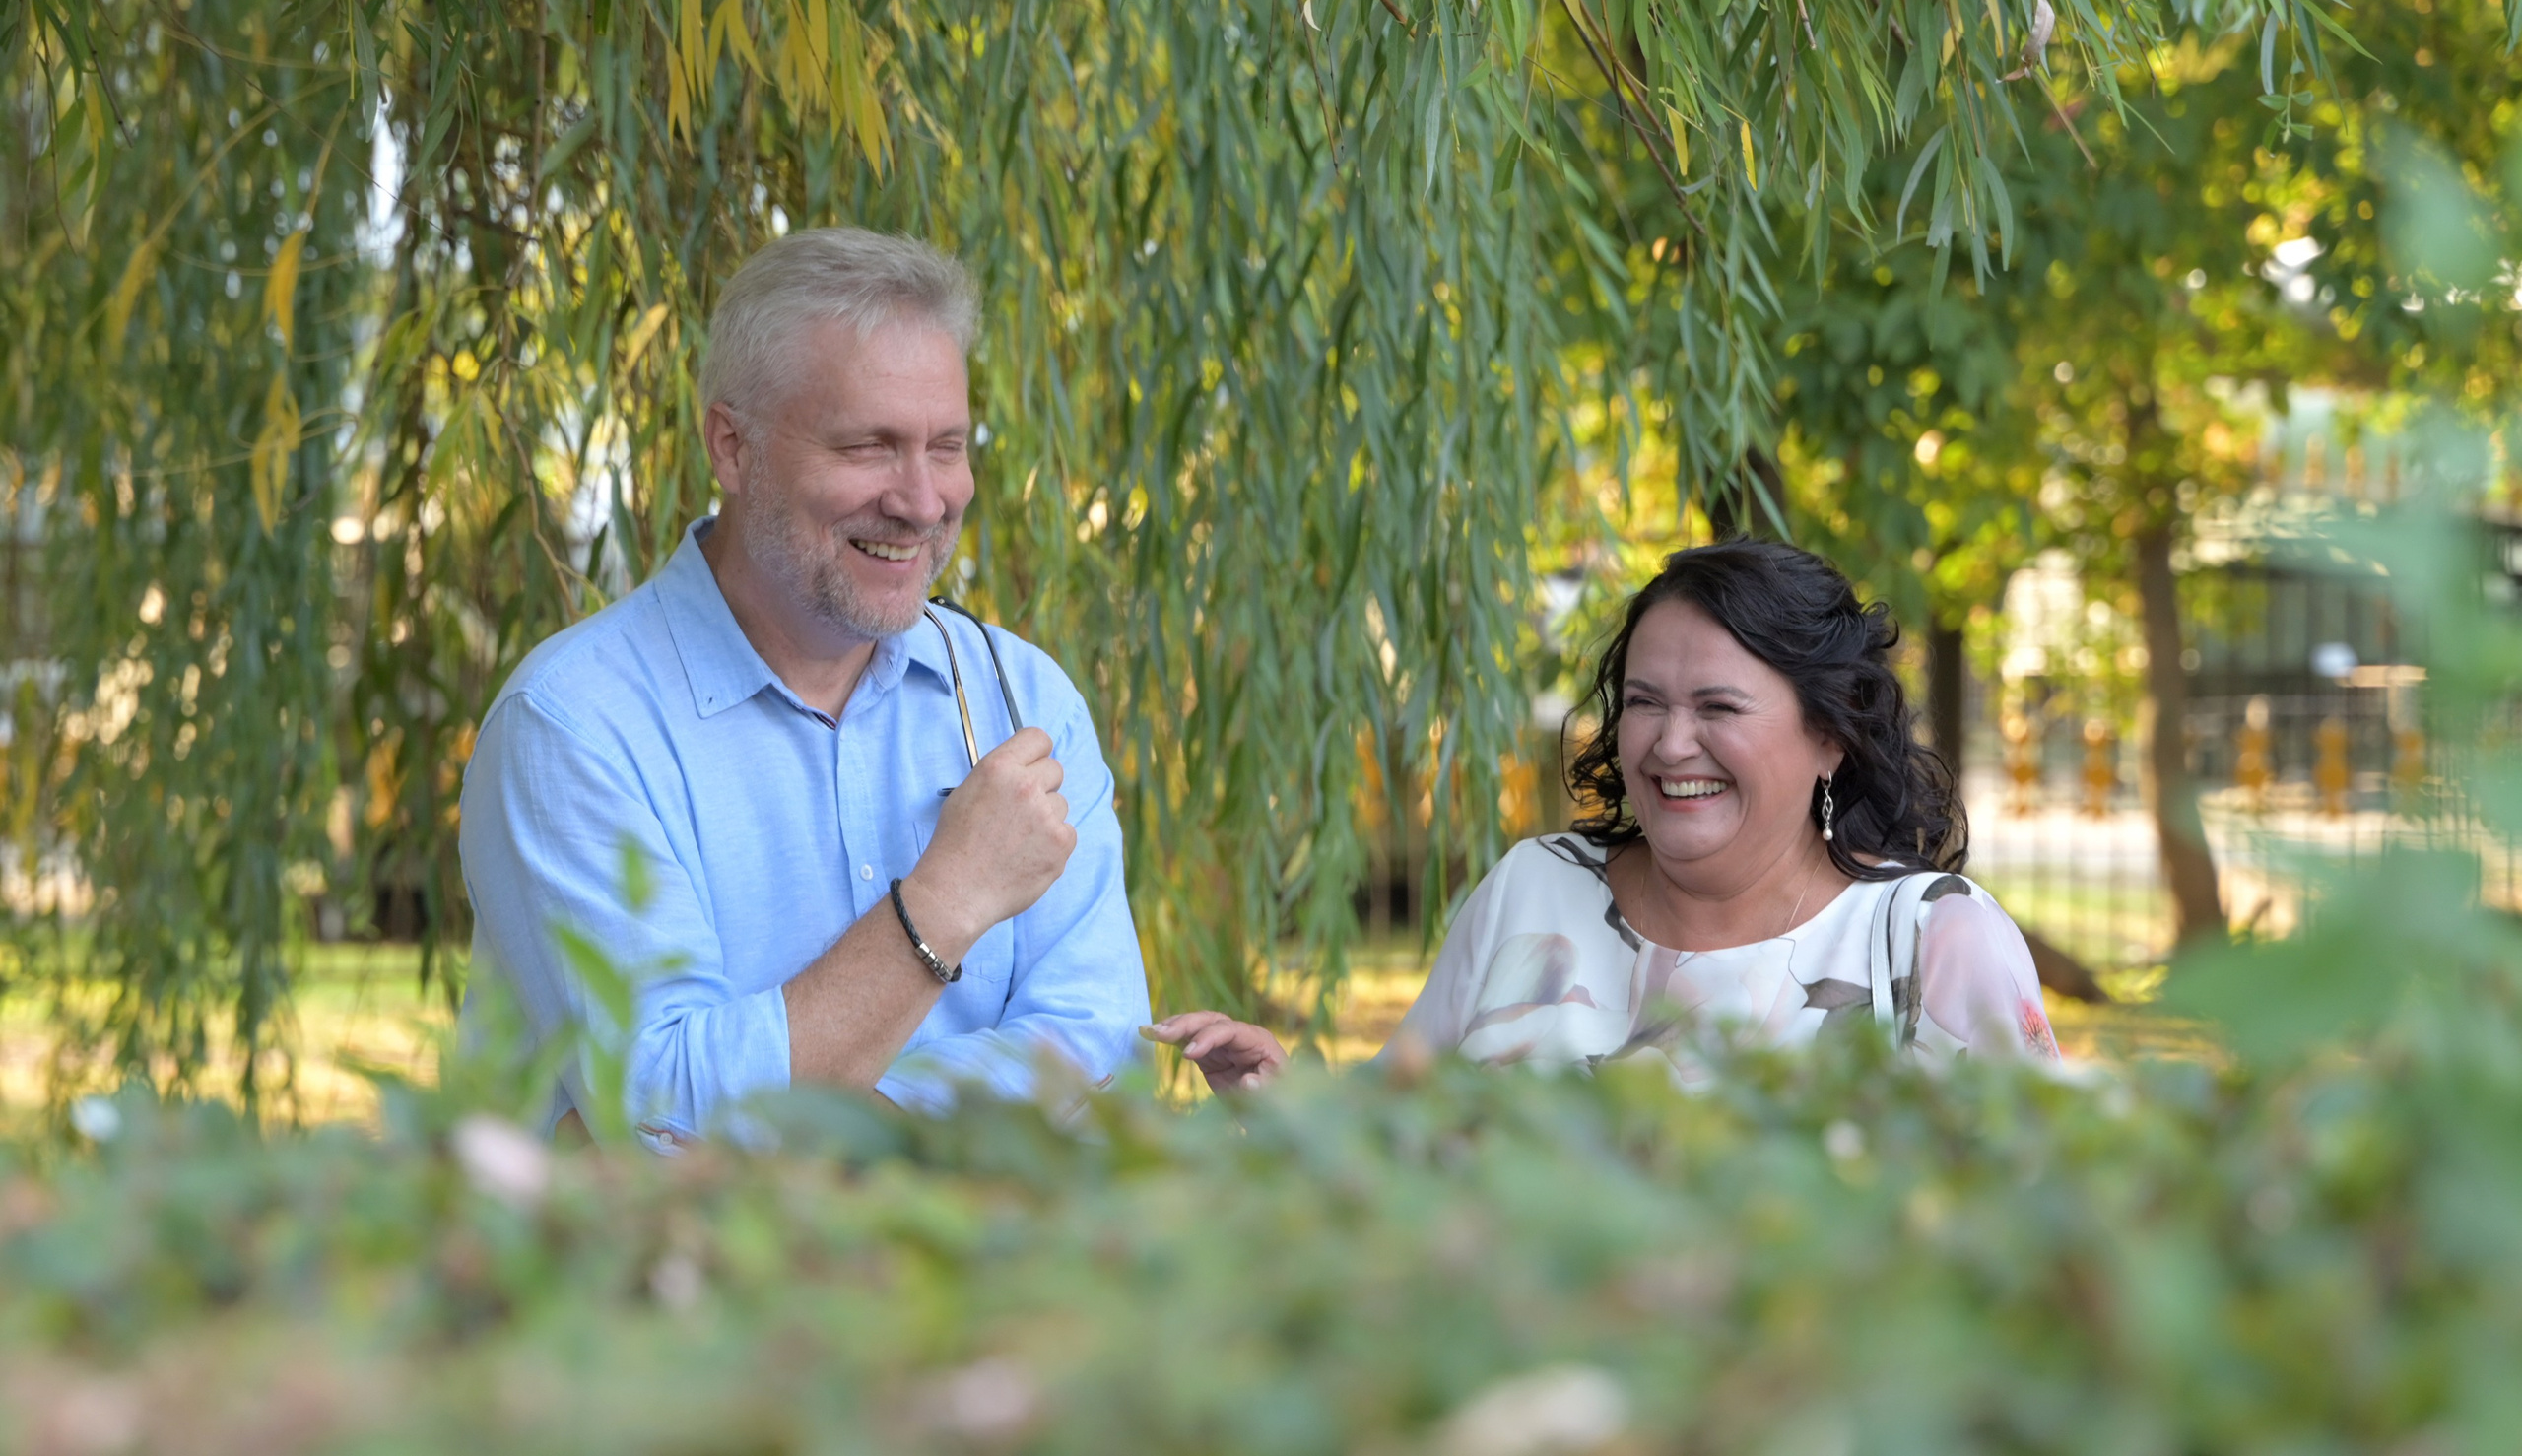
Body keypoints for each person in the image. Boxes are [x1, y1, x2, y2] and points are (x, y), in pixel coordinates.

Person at [459, 228, 1152, 1143]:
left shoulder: (1019, 695)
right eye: (870, 446)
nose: (922, 499)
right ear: (733, 447)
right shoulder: (574, 729)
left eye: (947, 445)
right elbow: (663, 1114)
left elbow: (1106, 1053)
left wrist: (806, 1119)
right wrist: (945, 898)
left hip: (990, 1284)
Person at [1152, 540, 2057, 1085]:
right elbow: (1393, 1139)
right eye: (1646, 701)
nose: (1669, 744)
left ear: (1831, 734)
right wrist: (1285, 1094)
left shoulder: (1929, 938)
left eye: (1718, 707)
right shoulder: (1535, 887)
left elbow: (2039, 1231)